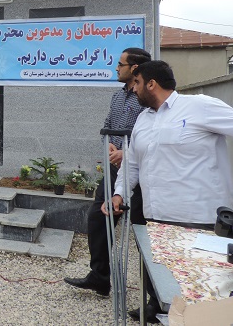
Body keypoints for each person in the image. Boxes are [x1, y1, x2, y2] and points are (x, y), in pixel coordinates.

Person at [104, 60, 233, 322]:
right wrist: (119, 193)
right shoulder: (143, 119)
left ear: (151, 84)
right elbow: (132, 164)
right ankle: (161, 310)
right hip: (157, 220)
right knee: (162, 280)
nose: (134, 89)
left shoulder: (198, 106)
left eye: (137, 83)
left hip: (199, 223)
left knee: (203, 292)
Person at [64, 47, 150, 296]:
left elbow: (150, 134)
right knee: (98, 218)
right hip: (114, 170)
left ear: (135, 68)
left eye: (120, 64)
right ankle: (100, 277)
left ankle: (155, 296)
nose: (116, 68)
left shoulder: (145, 99)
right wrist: (110, 146)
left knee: (142, 230)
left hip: (139, 172)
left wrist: (126, 153)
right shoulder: (117, 97)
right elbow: (107, 126)